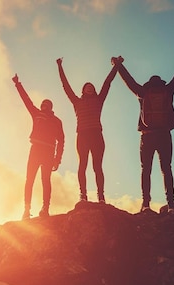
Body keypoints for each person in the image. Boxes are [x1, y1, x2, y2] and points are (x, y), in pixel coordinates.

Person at [113, 41, 174, 212]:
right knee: (167, 168)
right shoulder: (168, 90)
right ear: (161, 83)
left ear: (149, 84)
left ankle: (145, 205)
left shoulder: (142, 92)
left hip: (147, 135)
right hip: (164, 134)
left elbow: (129, 80)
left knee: (146, 170)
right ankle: (171, 204)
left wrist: (119, 65)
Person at [57, 57, 120, 203]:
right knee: (82, 165)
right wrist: (60, 67)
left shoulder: (99, 100)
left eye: (92, 86)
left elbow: (107, 83)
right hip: (82, 136)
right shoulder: (77, 101)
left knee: (97, 166)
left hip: (97, 135)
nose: (90, 87)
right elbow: (65, 86)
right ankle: (83, 195)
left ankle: (101, 196)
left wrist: (116, 66)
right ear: (83, 90)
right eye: (87, 86)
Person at [12, 73, 65, 220]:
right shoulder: (36, 114)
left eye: (47, 104)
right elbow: (26, 100)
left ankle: (45, 208)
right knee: (29, 180)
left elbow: (61, 140)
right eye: (43, 104)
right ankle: (26, 209)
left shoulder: (56, 121)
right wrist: (18, 84)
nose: (44, 106)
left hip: (48, 152)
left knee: (45, 180)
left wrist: (57, 159)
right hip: (35, 150)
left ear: (51, 107)